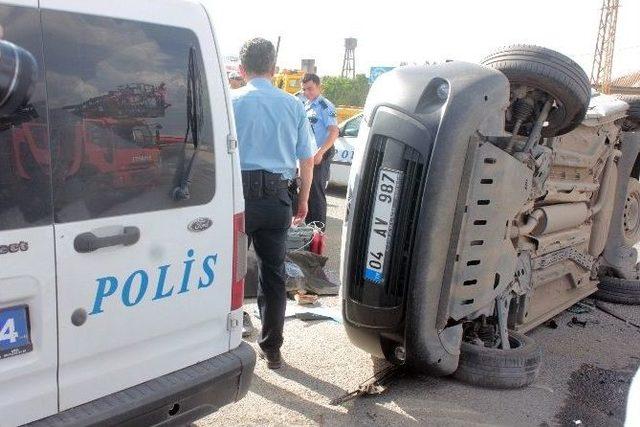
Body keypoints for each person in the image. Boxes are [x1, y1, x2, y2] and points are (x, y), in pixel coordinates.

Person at [232, 37, 315, 369]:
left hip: (236, 200)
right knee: (273, 274)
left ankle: (223, 345)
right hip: (277, 198)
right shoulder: (294, 105)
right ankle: (272, 350)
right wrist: (304, 201)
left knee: (229, 274)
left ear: (241, 69)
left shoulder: (229, 101)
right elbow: (306, 160)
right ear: (275, 69)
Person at [301, 73, 339, 229]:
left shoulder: (325, 106)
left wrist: (320, 152)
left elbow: (334, 131)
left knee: (316, 193)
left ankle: (318, 232)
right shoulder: (307, 104)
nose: (307, 93)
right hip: (309, 154)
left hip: (321, 154)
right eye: (304, 89)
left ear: (319, 87)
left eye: (310, 89)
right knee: (307, 192)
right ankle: (310, 230)